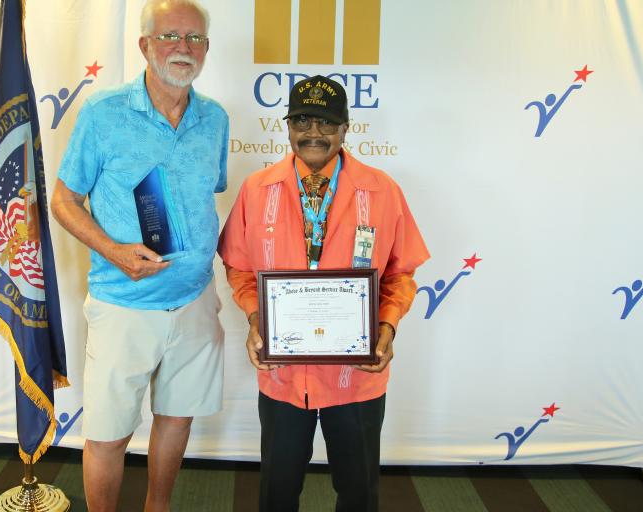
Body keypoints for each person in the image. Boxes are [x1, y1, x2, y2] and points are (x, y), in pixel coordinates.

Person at [218, 75, 429, 511]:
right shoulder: (257, 191)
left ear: (346, 129)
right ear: (288, 126)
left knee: (358, 493)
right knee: (277, 491)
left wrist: (387, 325)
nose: (314, 134)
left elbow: (401, 272)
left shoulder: (382, 191)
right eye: (304, 121)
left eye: (327, 123)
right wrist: (258, 319)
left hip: (356, 375)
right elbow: (239, 266)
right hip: (283, 374)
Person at [49, 1, 227, 510]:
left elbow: (206, 193)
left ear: (207, 50)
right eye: (170, 36)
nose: (182, 48)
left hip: (194, 300)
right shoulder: (104, 114)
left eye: (194, 39)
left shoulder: (214, 119)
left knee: (176, 416)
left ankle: (157, 508)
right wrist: (113, 250)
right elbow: (64, 200)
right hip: (123, 301)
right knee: (108, 433)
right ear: (144, 44)